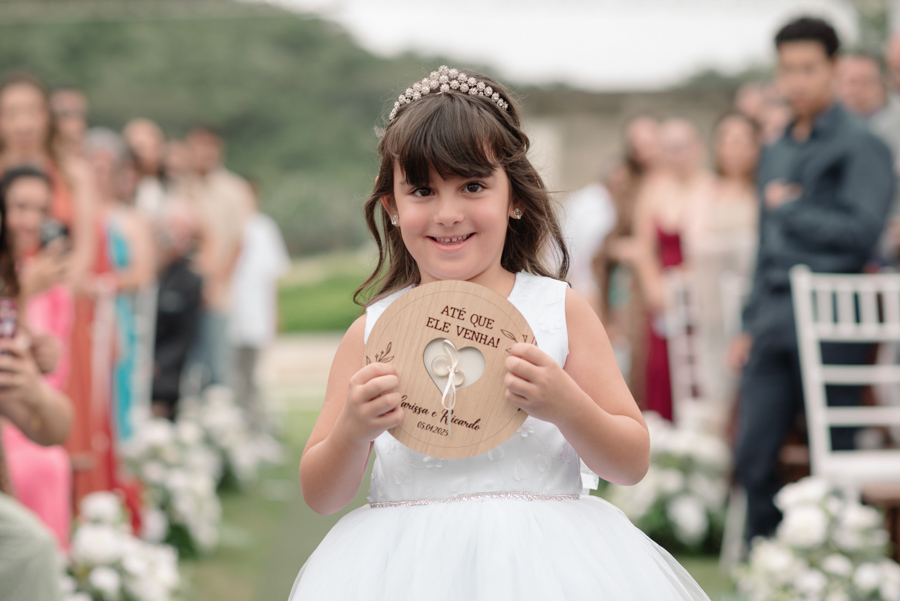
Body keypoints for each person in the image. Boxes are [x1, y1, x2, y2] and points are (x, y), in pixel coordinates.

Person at [289, 66, 708, 600]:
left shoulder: (560, 311)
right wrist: (352, 429)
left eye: (472, 186)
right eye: (422, 189)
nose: (447, 213)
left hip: (549, 569)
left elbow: (631, 463)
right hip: (406, 573)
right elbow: (322, 496)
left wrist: (565, 405)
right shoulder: (372, 333)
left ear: (515, 197)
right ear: (391, 206)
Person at [729, 17, 894, 543]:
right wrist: (748, 322)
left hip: (829, 319)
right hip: (773, 317)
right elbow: (762, 246)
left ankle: (827, 562)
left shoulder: (861, 144)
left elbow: (864, 232)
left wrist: (794, 209)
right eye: (787, 70)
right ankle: (768, 562)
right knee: (752, 453)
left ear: (834, 68)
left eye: (808, 68)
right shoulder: (775, 150)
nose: (796, 81)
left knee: (833, 456)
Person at [0, 71, 103, 502]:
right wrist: (21, 288)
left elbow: (85, 247)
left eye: (32, 111)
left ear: (47, 117)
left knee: (59, 412)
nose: (22, 122)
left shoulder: (73, 172)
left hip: (59, 301)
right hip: (11, 294)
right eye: (11, 112)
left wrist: (54, 287)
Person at [0, 167, 74, 601]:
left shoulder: (38, 287)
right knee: (30, 545)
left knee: (48, 466)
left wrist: (32, 385)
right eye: (19, 206)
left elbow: (55, 423)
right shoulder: (19, 287)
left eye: (40, 210)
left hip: (26, 423)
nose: (30, 220)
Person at [617, 119, 715, 421]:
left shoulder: (712, 187)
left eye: (683, 146)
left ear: (698, 148)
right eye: (670, 148)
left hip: (705, 293)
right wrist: (654, 289)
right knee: (660, 369)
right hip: (664, 292)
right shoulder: (654, 189)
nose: (678, 154)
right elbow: (644, 246)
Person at [684, 112, 760, 429]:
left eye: (743, 141)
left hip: (755, 298)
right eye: (728, 140)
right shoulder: (706, 189)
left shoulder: (762, 190)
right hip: (713, 301)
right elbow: (696, 241)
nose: (735, 149)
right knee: (715, 372)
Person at [86, 128, 154, 442]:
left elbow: (141, 273)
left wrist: (107, 284)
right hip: (81, 313)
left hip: (114, 313)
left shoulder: (129, 219)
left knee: (117, 384)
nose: (99, 176)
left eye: (105, 170)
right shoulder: (79, 216)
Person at [182, 125, 253, 390]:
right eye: (197, 146)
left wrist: (216, 281)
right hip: (184, 289)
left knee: (217, 361)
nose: (203, 152)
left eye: (209, 146)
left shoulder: (234, 190)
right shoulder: (181, 186)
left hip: (219, 291)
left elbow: (238, 242)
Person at [229, 182, 290, 436]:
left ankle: (256, 429)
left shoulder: (264, 228)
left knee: (253, 376)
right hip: (230, 314)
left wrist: (274, 314)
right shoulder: (228, 226)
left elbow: (271, 276)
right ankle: (236, 429)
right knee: (232, 377)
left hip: (256, 313)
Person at [151, 201, 203, 420]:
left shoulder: (190, 280)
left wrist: (157, 364)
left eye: (184, 235)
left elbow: (185, 336)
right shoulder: (151, 269)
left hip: (165, 371)